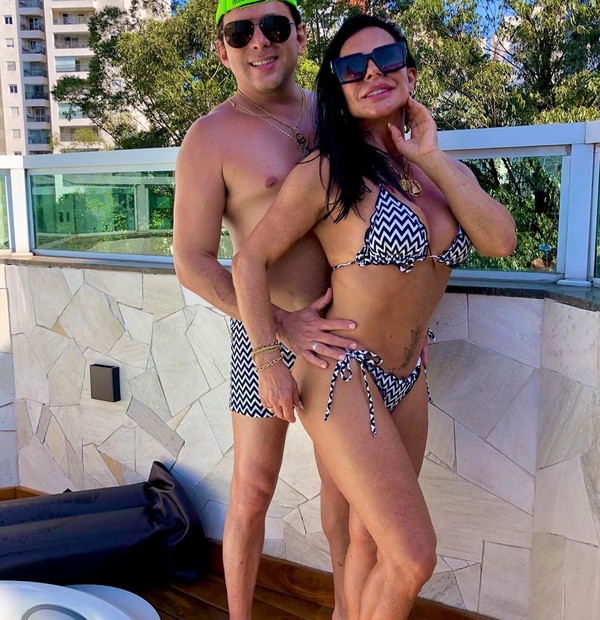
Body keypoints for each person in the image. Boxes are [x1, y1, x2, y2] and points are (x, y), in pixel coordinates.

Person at [232, 13, 517, 620]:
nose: (371, 74)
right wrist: (269, 361)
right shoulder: (326, 173)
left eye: (385, 60)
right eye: (351, 68)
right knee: (412, 558)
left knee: (370, 543)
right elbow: (248, 262)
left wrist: (431, 156)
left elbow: (500, 240)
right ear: (338, 88)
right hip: (342, 373)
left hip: (407, 376)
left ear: (409, 73)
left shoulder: (440, 172)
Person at [173, 1, 355, 618]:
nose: (260, 41)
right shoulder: (210, 137)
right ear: (222, 48)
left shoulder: (337, 112)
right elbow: (192, 260)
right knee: (252, 488)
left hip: (341, 332)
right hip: (262, 335)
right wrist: (276, 330)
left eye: (275, 27)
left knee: (344, 492)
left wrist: (403, 323)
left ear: (299, 37)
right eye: (241, 31)